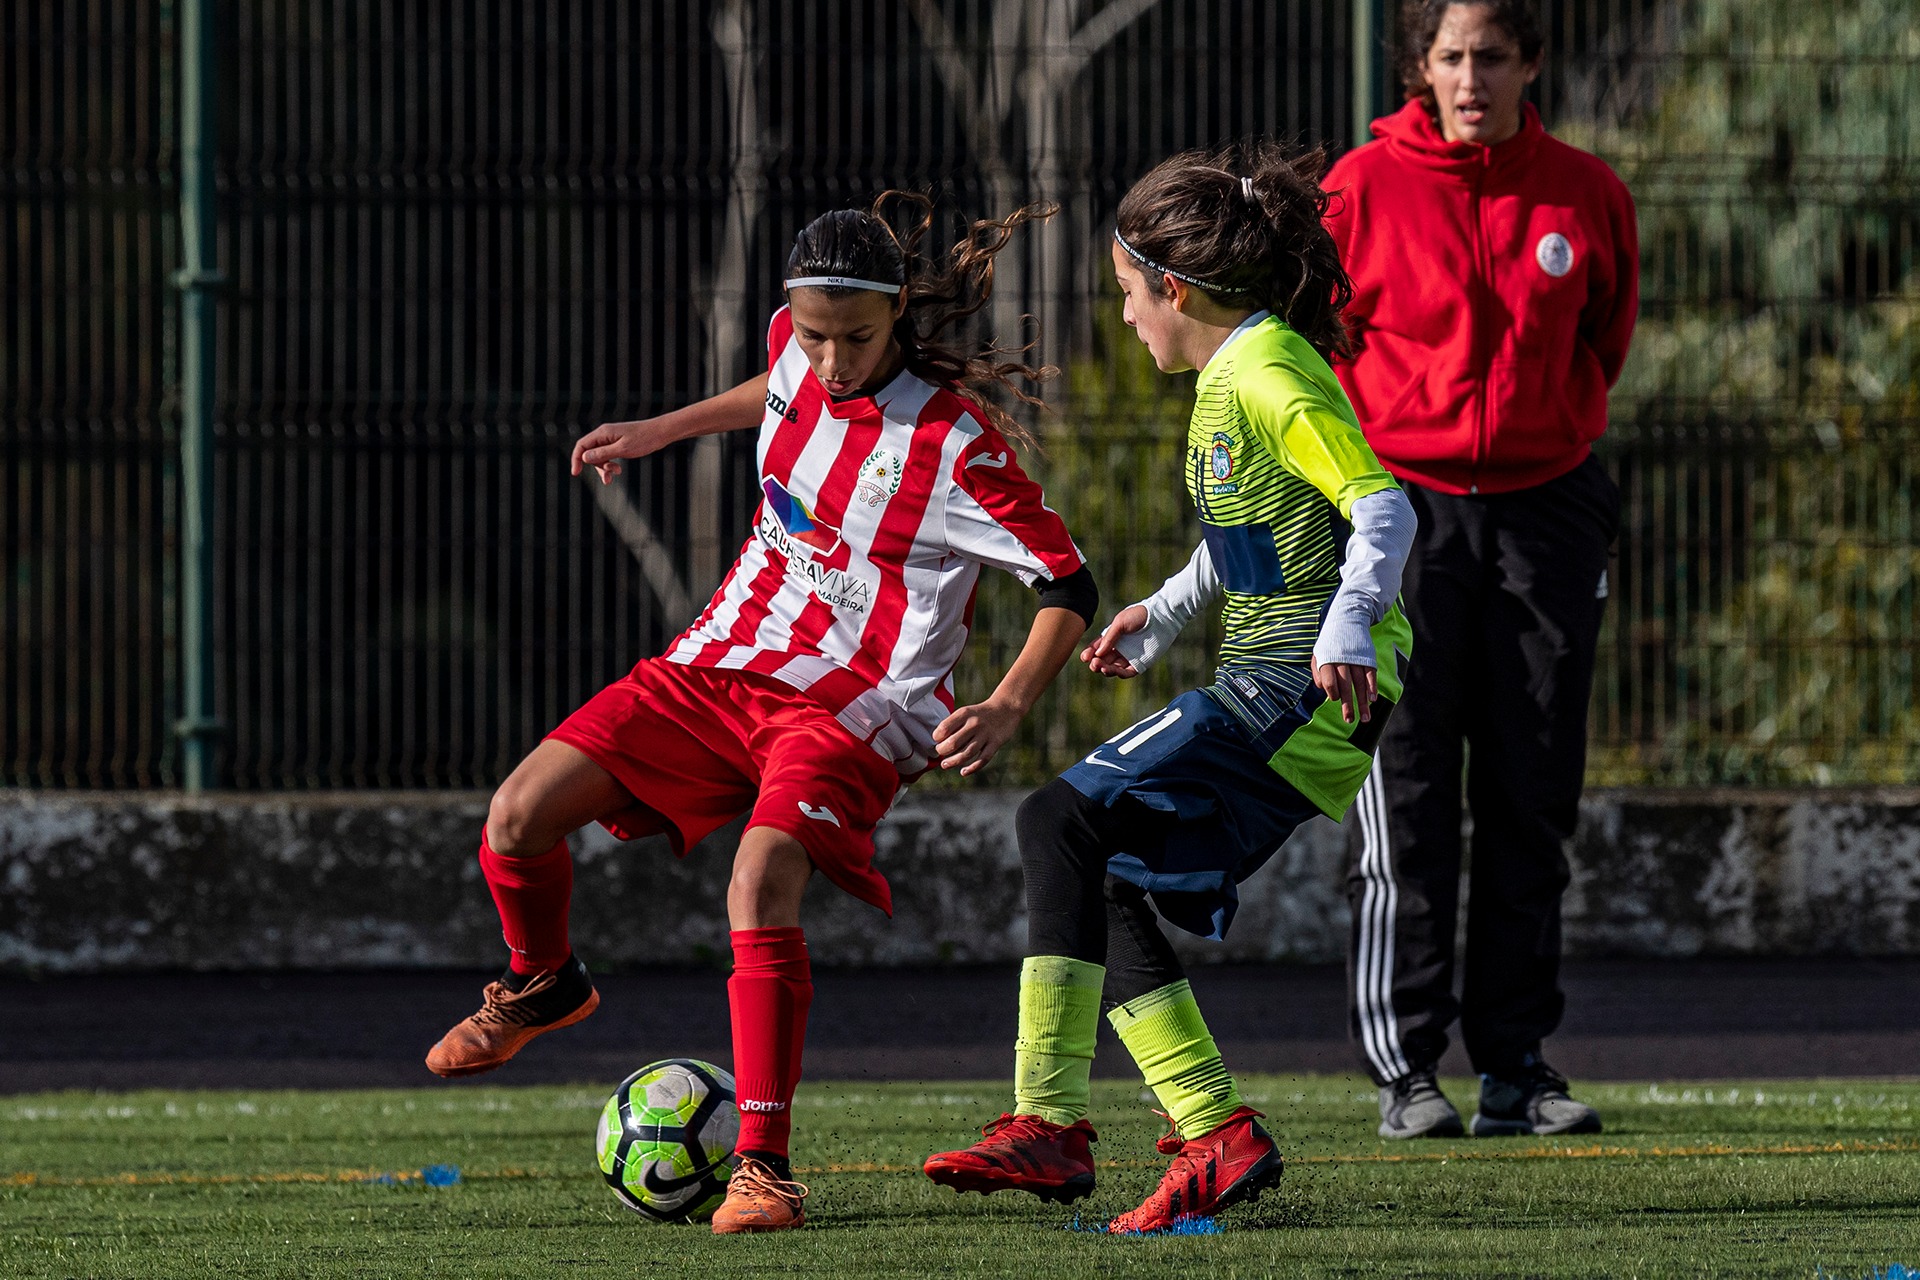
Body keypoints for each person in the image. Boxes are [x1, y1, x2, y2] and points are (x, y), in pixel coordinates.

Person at [423, 193, 1099, 1235]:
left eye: (856, 339)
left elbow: (1068, 582)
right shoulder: (797, 345)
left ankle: (764, 1167)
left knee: (759, 876)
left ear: (896, 317)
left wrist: (1008, 701)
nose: (830, 362)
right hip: (723, 659)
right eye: (817, 334)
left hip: (858, 699)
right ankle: (543, 981)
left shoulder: (951, 446)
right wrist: (662, 428)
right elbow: (777, 388)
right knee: (517, 814)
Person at [923, 141, 1417, 1233]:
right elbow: (1261, 533)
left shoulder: (1269, 371)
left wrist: (1342, 629)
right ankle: (1197, 1132)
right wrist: (1167, 609)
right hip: (1282, 678)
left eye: (1128, 295)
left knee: (1057, 817)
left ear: (1175, 287)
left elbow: (1383, 509)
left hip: (1304, 685)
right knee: (1098, 865)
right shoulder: (1231, 374)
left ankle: (1066, 1126)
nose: (1129, 318)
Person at [1325, 0, 1637, 1139]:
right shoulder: (1357, 189)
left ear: (1529, 65)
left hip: (1547, 514)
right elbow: (1323, 346)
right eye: (1451, 57)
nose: (1470, 78)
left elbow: (1604, 334)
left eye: (1491, 57)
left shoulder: (1586, 192)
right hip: (1401, 514)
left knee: (1532, 795)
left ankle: (1517, 1063)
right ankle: (1407, 1065)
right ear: (1421, 66)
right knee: (1405, 801)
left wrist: (1538, 436)